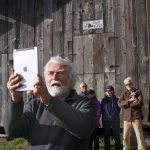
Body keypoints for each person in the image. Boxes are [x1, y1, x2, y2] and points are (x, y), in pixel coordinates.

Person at [5, 55, 96, 150]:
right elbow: (13, 130)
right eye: (50, 73)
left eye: (60, 73)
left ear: (71, 79)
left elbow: (83, 130)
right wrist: (15, 99)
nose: (54, 77)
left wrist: (49, 100)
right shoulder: (35, 105)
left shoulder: (85, 104)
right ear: (45, 79)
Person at [118, 77, 145, 150]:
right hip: (127, 118)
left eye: (129, 83)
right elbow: (120, 104)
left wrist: (127, 105)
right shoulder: (124, 94)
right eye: (126, 84)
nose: (128, 85)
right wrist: (129, 100)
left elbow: (139, 103)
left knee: (139, 136)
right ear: (125, 85)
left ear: (131, 83)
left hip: (136, 117)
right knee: (125, 136)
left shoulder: (138, 92)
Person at [101, 85, 122, 150]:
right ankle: (107, 148)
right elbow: (102, 109)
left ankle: (118, 148)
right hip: (106, 120)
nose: (108, 92)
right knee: (106, 135)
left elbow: (118, 109)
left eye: (110, 90)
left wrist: (114, 115)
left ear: (112, 91)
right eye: (107, 90)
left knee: (116, 135)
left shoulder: (117, 99)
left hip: (115, 120)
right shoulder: (103, 100)